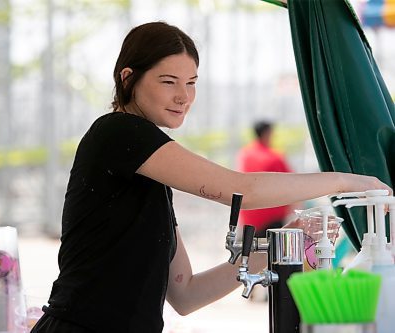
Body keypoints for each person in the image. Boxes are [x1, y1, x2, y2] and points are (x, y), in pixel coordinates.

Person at [31, 21, 391, 333]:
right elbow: (241, 190)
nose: (183, 96)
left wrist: (279, 243)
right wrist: (344, 181)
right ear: (128, 78)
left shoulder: (149, 175)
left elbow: (186, 294)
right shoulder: (119, 133)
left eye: (191, 82)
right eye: (168, 81)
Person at [236, 120, 293, 238]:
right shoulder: (275, 157)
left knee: (251, 252)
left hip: (249, 216)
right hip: (271, 217)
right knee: (271, 254)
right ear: (267, 133)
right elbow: (291, 184)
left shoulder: (244, 155)